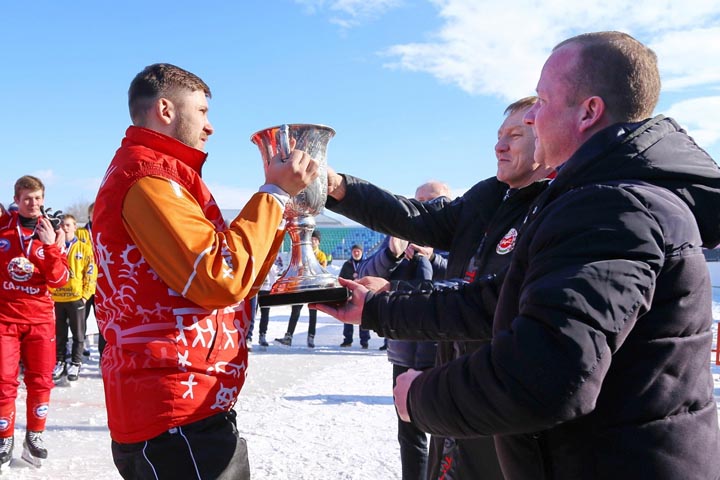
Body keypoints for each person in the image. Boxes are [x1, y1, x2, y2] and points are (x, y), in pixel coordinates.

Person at [321, 32, 720, 479]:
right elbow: (496, 301)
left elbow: (544, 374)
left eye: (542, 103)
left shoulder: (612, 207)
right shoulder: (577, 199)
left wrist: (421, 396)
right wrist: (376, 306)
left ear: (588, 111)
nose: (533, 115)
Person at [93, 63, 318, 480]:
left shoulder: (167, 176)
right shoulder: (148, 176)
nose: (210, 126)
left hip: (185, 403)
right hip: (174, 412)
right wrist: (273, 194)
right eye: (201, 111)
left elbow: (231, 274)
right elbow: (218, 275)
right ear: (165, 109)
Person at [318, 96, 549, 478]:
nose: (499, 146)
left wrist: (388, 300)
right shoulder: (489, 196)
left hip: (506, 395)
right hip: (455, 374)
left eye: (515, 135)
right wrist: (340, 187)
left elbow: (493, 300)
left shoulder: (558, 207)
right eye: (498, 135)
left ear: (546, 136)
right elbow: (416, 217)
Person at [356, 181, 449, 480]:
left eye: (432, 200)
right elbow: (363, 277)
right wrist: (391, 253)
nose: (423, 206)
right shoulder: (397, 234)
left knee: (448, 432)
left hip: (443, 350)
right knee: (409, 434)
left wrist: (432, 257)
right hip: (404, 351)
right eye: (417, 200)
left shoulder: (458, 233)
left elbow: (470, 279)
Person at [0, 175, 69, 468]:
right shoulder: (4, 228)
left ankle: (35, 436)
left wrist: (52, 246)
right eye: (28, 199)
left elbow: (59, 280)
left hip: (40, 320)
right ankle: (4, 437)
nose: (34, 204)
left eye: (38, 198)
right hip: (5, 319)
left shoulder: (51, 232)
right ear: (17, 199)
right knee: (4, 382)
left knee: (41, 381)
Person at [51, 214, 97, 382]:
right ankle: (60, 361)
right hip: (58, 297)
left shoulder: (84, 248)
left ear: (75, 227)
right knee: (60, 333)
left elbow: (91, 273)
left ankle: (76, 363)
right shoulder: (55, 248)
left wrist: (85, 296)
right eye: (63, 225)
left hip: (76, 298)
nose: (65, 227)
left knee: (78, 333)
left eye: (69, 225)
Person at [275, 230, 327, 347]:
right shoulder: (302, 253)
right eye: (311, 239)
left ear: (318, 242)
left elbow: (322, 271)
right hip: (302, 286)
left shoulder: (321, 255)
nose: (313, 241)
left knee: (313, 311)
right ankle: (288, 336)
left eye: (315, 240)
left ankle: (311, 337)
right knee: (295, 311)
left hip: (314, 287)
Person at [76, 202, 101, 357]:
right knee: (81, 318)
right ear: (89, 215)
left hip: (100, 283)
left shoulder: (105, 230)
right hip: (84, 283)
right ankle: (82, 344)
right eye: (93, 212)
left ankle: (103, 351)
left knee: (102, 318)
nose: (95, 215)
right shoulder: (81, 232)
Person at [337, 244, 370, 348]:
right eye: (354, 251)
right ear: (351, 252)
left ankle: (364, 341)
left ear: (362, 252)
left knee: (363, 317)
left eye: (358, 251)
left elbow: (370, 277)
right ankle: (348, 339)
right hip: (350, 294)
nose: (356, 253)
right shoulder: (347, 264)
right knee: (347, 317)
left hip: (363, 294)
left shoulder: (367, 263)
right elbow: (341, 278)